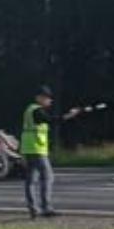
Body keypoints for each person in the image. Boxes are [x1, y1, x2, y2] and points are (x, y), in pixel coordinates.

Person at [21, 86, 80, 220]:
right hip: (37, 149)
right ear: (39, 98)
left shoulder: (29, 110)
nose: (50, 101)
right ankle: (46, 208)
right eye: (47, 98)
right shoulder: (36, 111)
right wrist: (69, 116)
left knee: (31, 180)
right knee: (48, 177)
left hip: (28, 148)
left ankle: (33, 209)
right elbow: (52, 120)